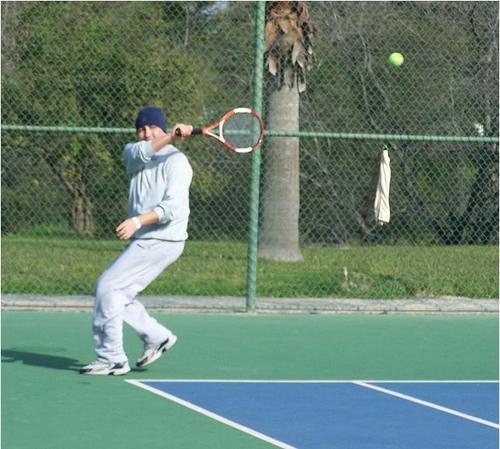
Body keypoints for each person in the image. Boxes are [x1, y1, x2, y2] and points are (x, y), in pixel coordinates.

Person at [80, 106, 193, 375]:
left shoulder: (178, 163)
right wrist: (170, 136)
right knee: (117, 293)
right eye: (140, 129)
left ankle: (112, 358)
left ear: (162, 127)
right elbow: (143, 150)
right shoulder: (133, 152)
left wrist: (137, 221)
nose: (145, 133)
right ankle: (156, 337)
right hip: (147, 238)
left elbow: (172, 210)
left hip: (163, 239)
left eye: (151, 127)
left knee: (107, 287)